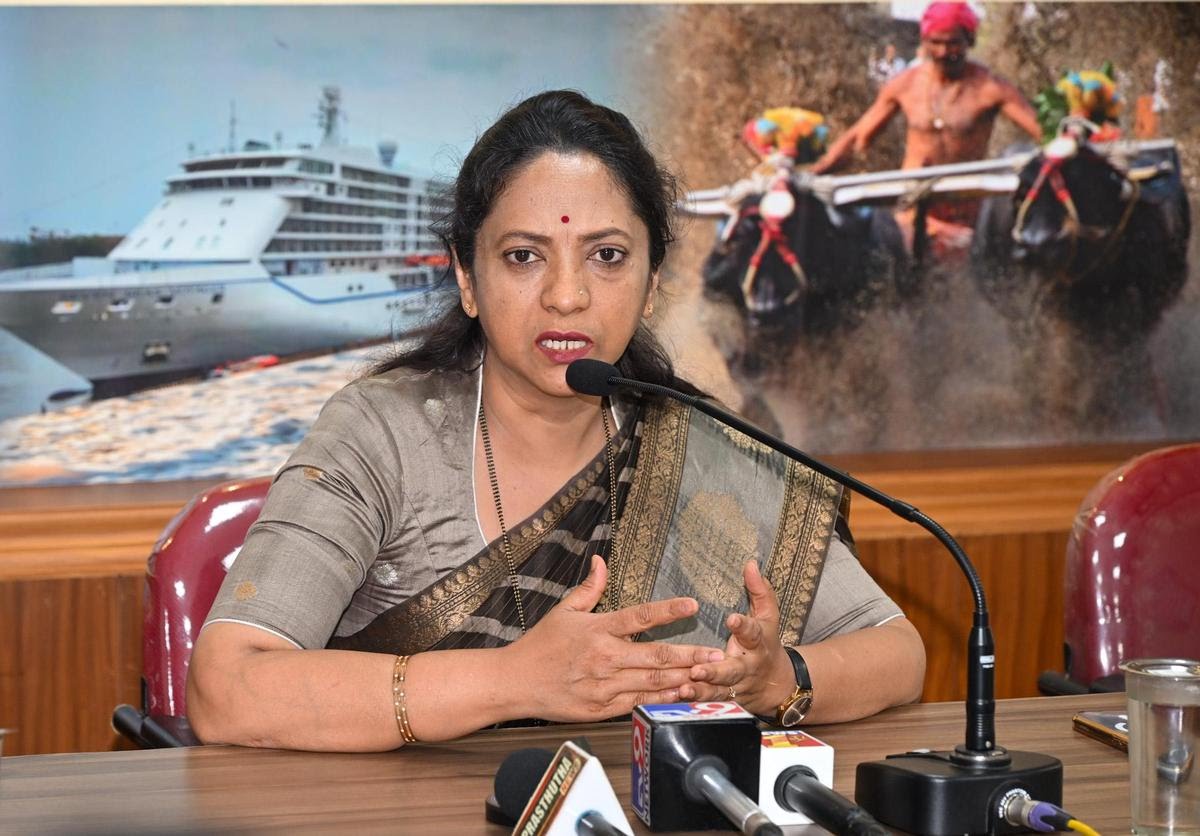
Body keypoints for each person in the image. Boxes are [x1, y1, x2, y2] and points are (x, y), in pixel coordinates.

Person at [187, 90, 925, 752]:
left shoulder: (704, 448)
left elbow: (898, 653)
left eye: (607, 255)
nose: (566, 297)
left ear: (652, 283)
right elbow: (227, 689)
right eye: (523, 257)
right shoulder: (383, 435)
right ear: (468, 278)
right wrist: (513, 681)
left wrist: (780, 679)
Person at [811, 1, 1043, 256]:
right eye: (936, 42)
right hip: (909, 213)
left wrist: (1071, 138)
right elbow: (858, 140)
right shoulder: (904, 85)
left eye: (953, 43)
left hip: (966, 219)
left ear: (969, 40)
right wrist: (813, 172)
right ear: (924, 41)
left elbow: (1043, 133)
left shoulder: (991, 88)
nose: (943, 52)